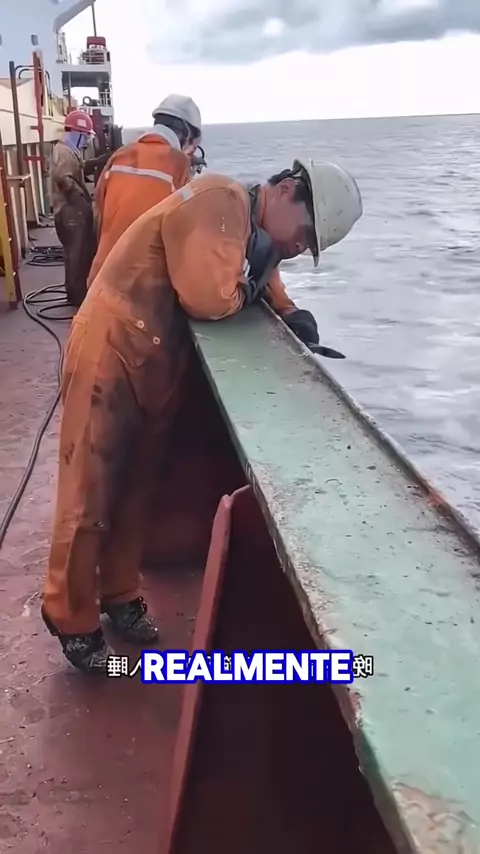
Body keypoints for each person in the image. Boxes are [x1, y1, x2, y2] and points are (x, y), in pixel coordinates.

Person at [41, 156, 362, 673]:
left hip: (154, 361)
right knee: (89, 493)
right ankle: (70, 619)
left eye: (309, 247)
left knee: (136, 489)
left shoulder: (248, 229)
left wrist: (289, 312)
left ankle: (119, 593)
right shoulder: (220, 198)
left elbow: (255, 272)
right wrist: (252, 287)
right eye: (305, 234)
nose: (300, 248)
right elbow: (211, 298)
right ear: (284, 190)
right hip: (110, 352)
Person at [87, 94, 204, 287]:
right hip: (141, 286)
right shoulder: (179, 164)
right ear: (185, 133)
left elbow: (98, 213)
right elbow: (183, 231)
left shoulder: (120, 155)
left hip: (101, 276)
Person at [49, 110, 106, 307]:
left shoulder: (67, 150)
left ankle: (74, 292)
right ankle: (77, 297)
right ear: (77, 132)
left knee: (76, 253)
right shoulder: (65, 152)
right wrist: (83, 203)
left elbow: (78, 167)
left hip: (69, 212)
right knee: (77, 254)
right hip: (70, 213)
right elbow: (64, 180)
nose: (87, 141)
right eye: (86, 136)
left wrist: (98, 161)